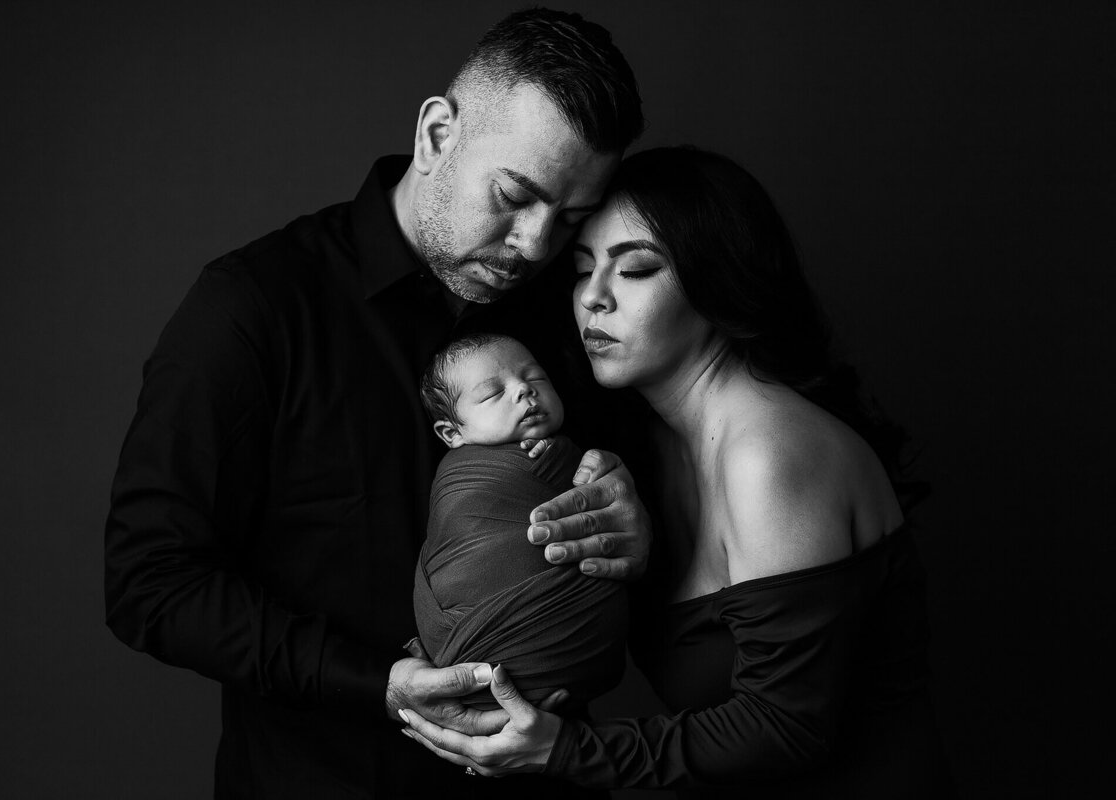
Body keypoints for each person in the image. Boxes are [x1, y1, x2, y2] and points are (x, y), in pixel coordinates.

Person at [103, 9, 651, 799]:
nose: (535, 245)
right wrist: (378, 684)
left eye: (567, 219)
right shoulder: (252, 309)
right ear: (436, 135)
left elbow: (643, 546)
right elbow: (148, 582)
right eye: (513, 195)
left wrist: (636, 523)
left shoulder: (566, 312)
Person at [400, 147, 956, 797]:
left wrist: (565, 750)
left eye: (634, 269)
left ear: (715, 281)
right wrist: (453, 673)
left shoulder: (768, 453)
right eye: (582, 271)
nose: (594, 299)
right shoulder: (642, 454)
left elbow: (787, 728)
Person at [413, 333, 627, 712]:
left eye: (536, 378)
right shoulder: (460, 477)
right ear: (452, 433)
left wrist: (564, 458)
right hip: (478, 657)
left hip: (567, 644)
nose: (525, 391)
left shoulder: (571, 455)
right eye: (493, 393)